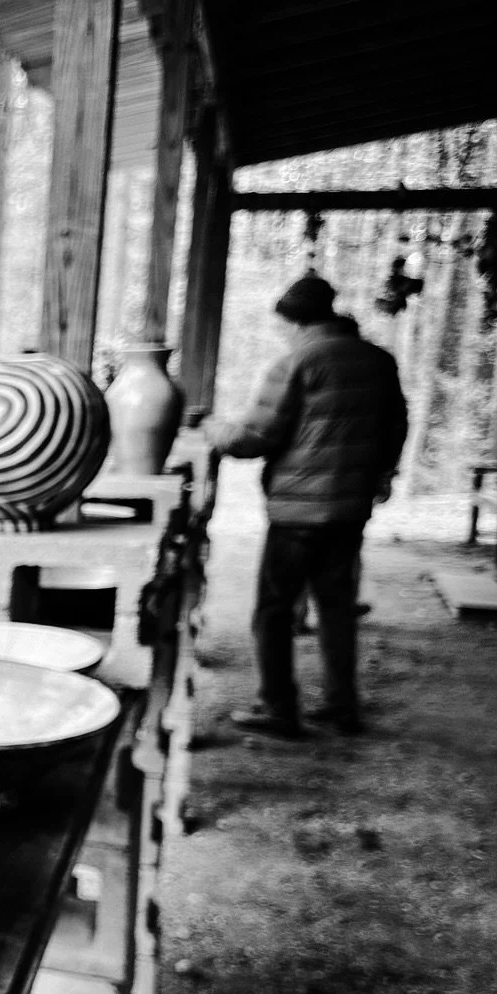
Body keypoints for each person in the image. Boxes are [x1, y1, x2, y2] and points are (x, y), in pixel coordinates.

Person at [206, 273, 408, 738]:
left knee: (274, 611)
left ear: (294, 322)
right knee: (336, 608)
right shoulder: (378, 360)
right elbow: (397, 425)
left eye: (282, 326)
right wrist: (381, 476)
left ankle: (278, 708)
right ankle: (342, 707)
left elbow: (256, 437)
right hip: (350, 509)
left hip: (298, 511)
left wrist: (217, 431)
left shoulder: (297, 362)